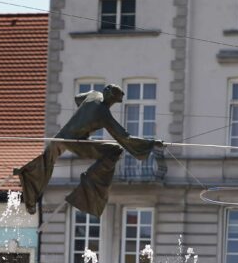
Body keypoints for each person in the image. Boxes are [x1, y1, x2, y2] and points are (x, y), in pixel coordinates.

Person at [16, 84, 162, 217]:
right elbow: (124, 137)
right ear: (111, 99)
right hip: (76, 142)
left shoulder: (94, 94)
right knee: (115, 150)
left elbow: (77, 99)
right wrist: (151, 143)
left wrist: (84, 118)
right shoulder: (103, 113)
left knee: (46, 163)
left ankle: (29, 196)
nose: (111, 104)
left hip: (62, 136)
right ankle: (90, 179)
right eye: (114, 101)